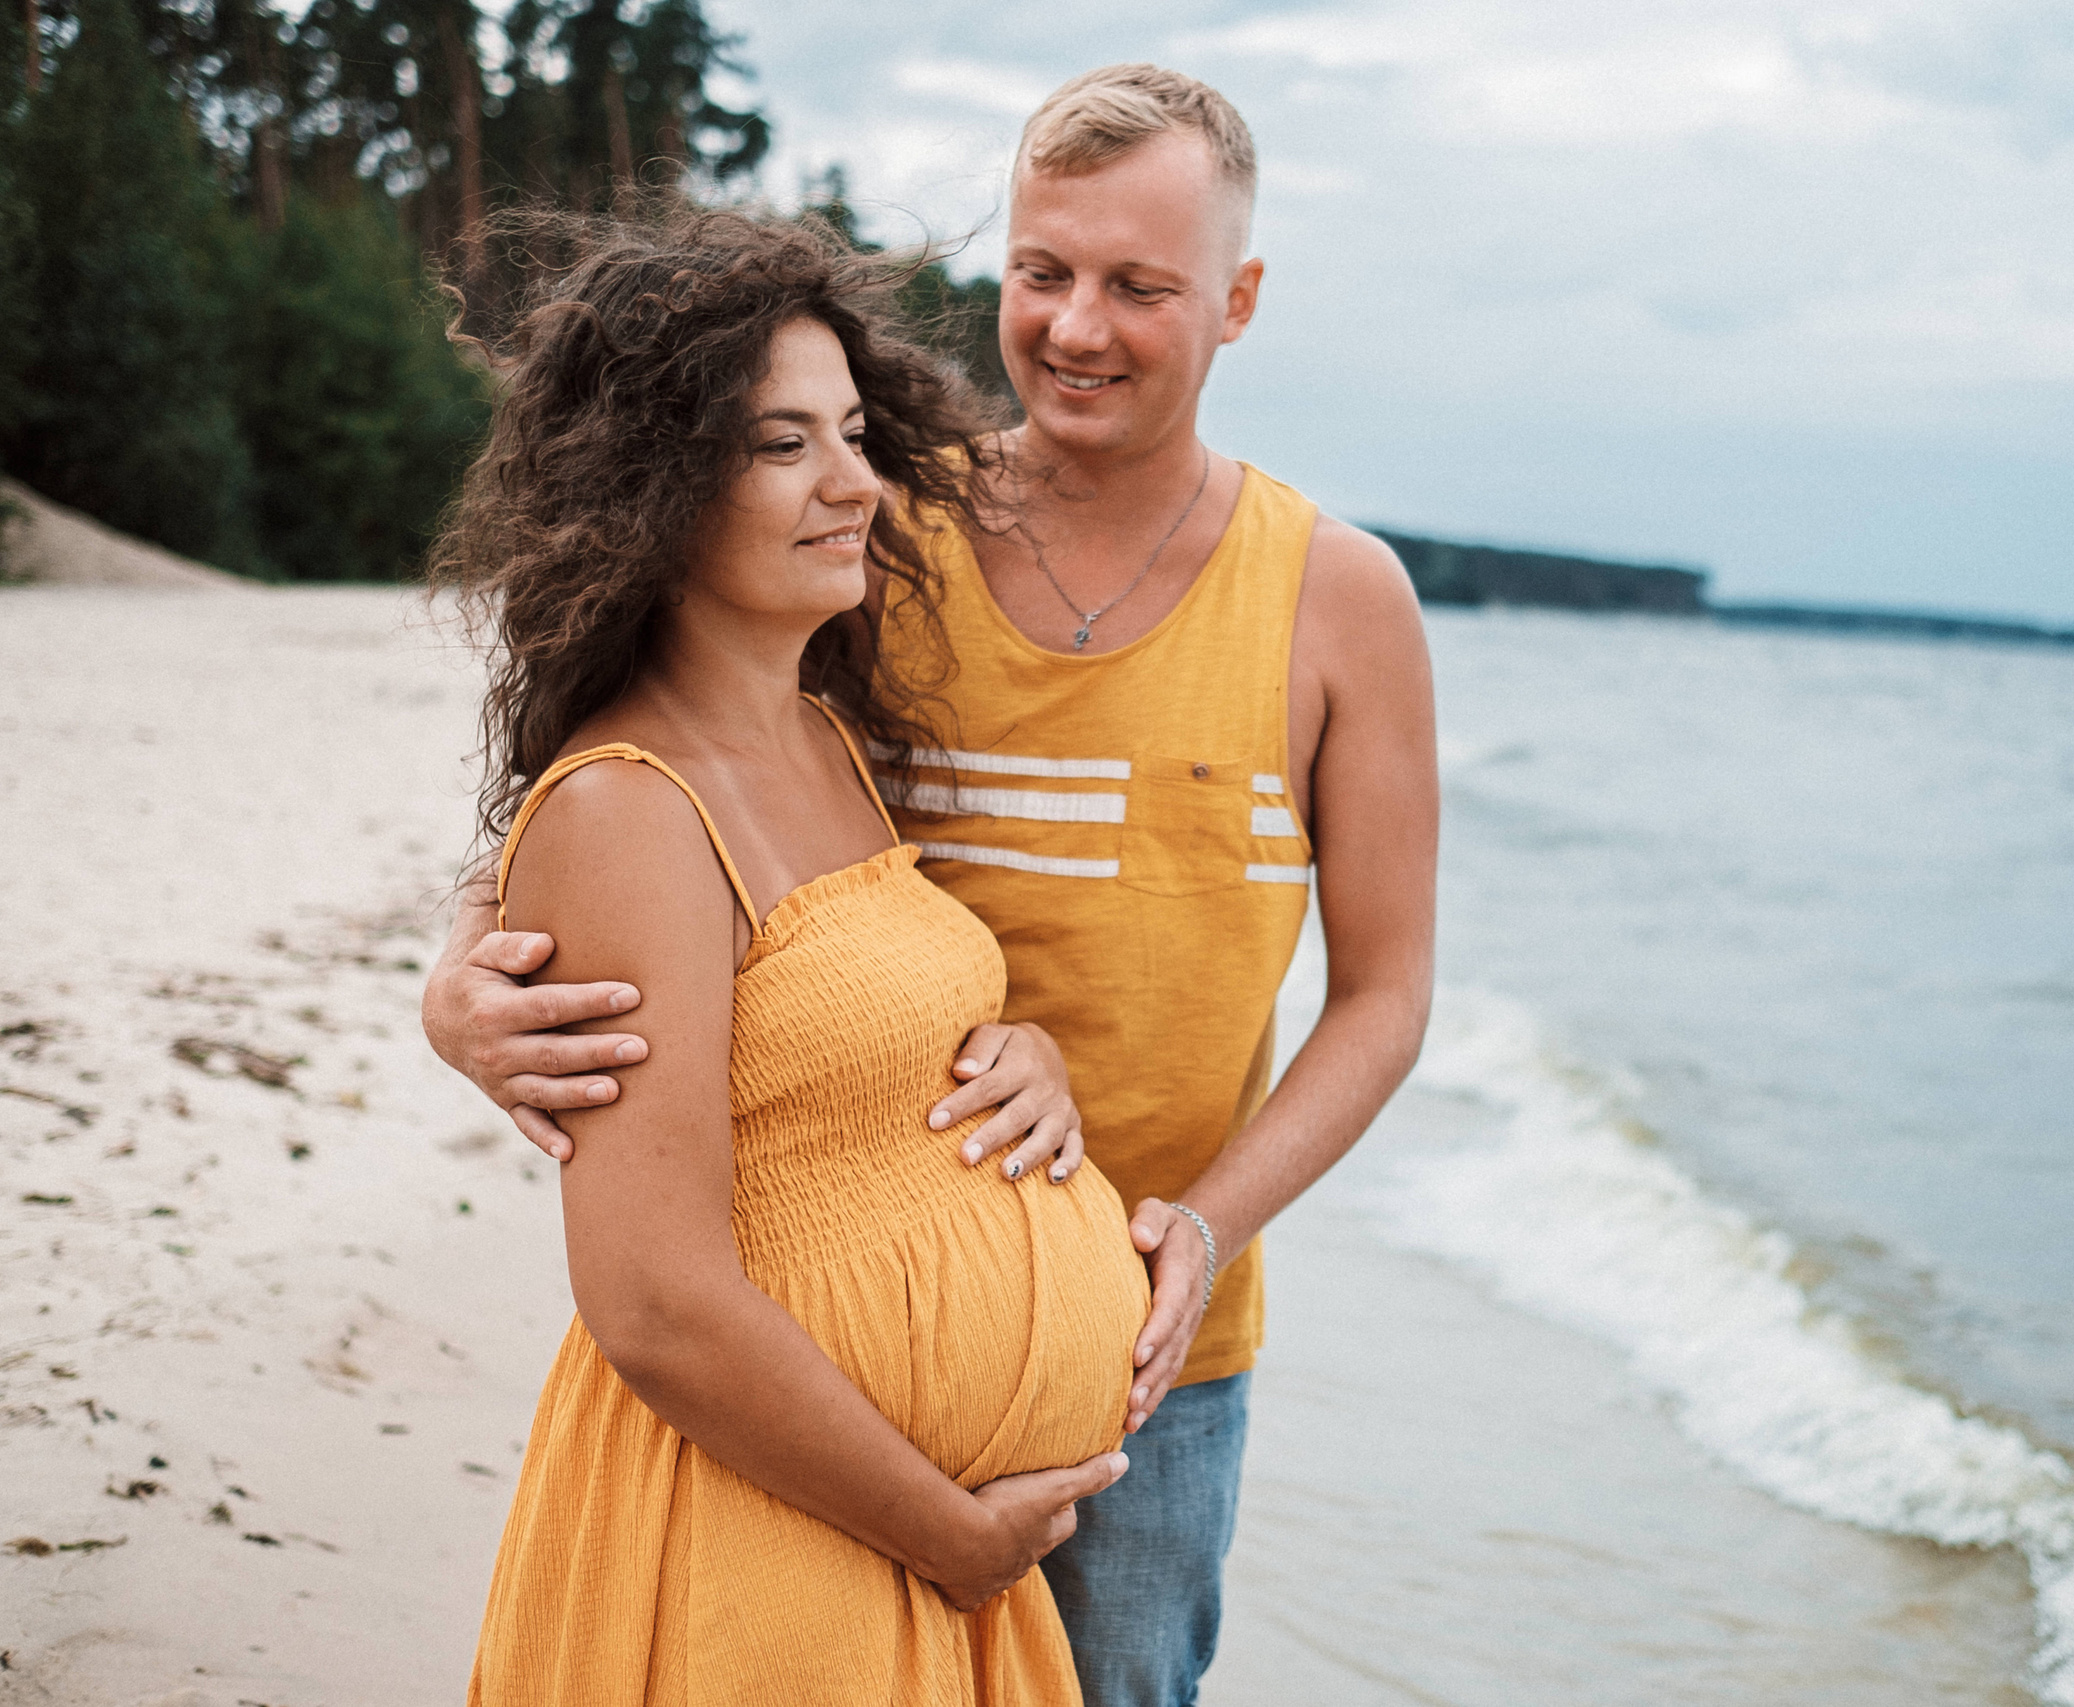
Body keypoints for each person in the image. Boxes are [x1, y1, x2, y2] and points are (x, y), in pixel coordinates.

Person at [425, 65, 1441, 1707]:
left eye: (1141, 285)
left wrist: (1201, 1218)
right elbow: (638, 771)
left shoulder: (1338, 599)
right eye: (1045, 272)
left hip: (1155, 1354)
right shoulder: (885, 539)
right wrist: (463, 982)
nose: (1080, 325)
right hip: (816, 1357)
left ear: (1238, 300)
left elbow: (1386, 996)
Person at [436, 205, 1149, 1703]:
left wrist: (1026, 1057)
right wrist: (948, 1534)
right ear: (653, 488)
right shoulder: (633, 807)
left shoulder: (821, 730)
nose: (855, 484)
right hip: (775, 1537)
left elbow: (847, 1050)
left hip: (889, 1528)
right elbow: (653, 1305)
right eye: (782, 446)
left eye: (850, 432)